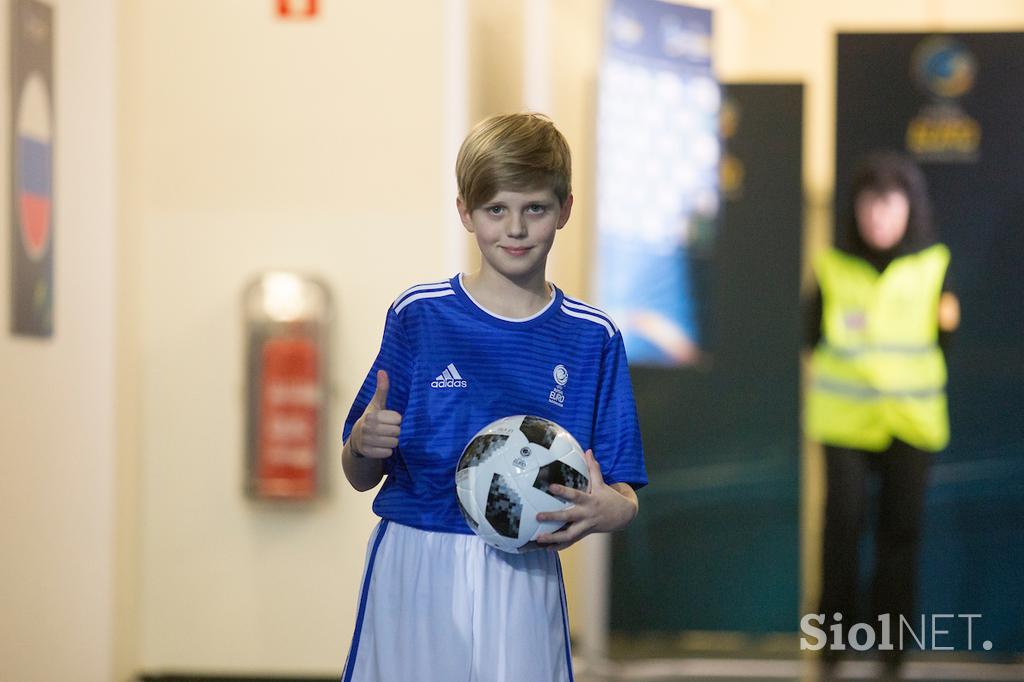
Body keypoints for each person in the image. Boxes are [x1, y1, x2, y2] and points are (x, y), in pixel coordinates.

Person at [339, 112, 648, 681]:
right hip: (416, 561)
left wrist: (615, 511)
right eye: (495, 210)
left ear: (565, 210)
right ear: (465, 212)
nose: (516, 228)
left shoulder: (592, 337)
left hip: (524, 570)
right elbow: (359, 473)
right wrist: (363, 441)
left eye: (535, 208)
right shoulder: (420, 316)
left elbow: (623, 489)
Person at [805, 151, 960, 678]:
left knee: (900, 535)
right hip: (844, 424)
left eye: (889, 205)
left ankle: (892, 651)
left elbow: (947, 337)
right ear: (855, 210)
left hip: (911, 424)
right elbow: (810, 336)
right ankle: (831, 646)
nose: (878, 217)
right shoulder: (831, 265)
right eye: (869, 205)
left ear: (909, 209)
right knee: (842, 530)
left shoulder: (933, 266)